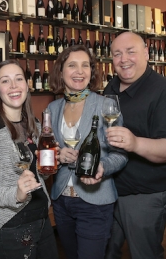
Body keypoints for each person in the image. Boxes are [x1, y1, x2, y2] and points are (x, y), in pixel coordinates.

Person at [0, 60, 58, 259]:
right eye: (5, 81)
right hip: (9, 225)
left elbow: (37, 175)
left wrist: (46, 168)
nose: (14, 86)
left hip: (41, 219)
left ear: (27, 85)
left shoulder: (33, 124)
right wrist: (15, 195)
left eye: (18, 79)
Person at [104, 32, 166, 259]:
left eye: (131, 51)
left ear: (146, 53)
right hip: (112, 190)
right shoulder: (112, 87)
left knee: (144, 255)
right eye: (117, 54)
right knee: (104, 252)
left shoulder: (164, 92)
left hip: (146, 194)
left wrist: (135, 143)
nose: (124, 59)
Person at [48, 45, 128, 259]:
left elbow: (120, 154)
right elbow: (48, 151)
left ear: (92, 72)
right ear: (61, 71)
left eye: (85, 66)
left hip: (95, 201)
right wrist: (58, 155)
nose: (79, 71)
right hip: (62, 200)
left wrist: (103, 166)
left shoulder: (106, 105)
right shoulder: (52, 109)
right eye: (72, 65)